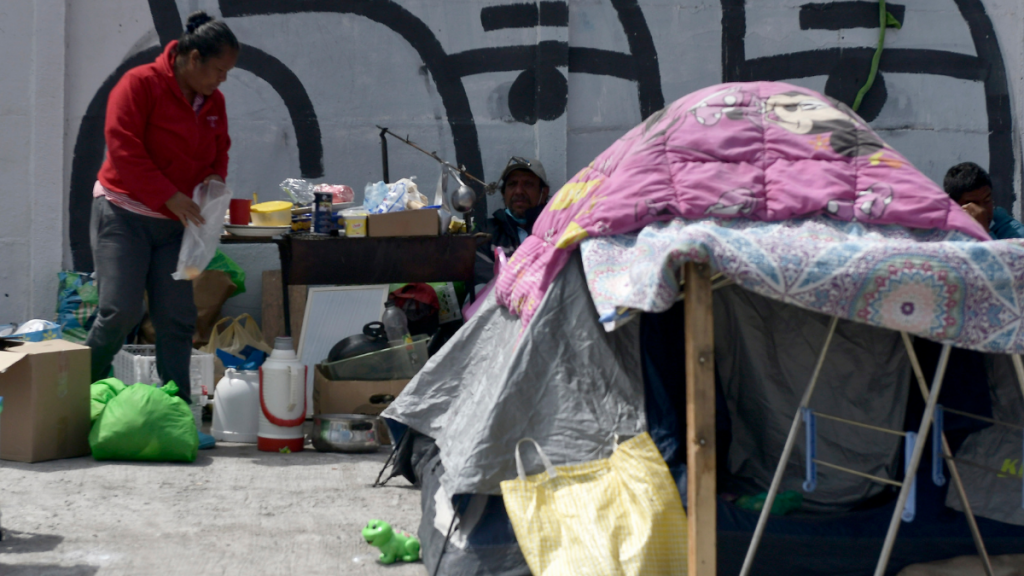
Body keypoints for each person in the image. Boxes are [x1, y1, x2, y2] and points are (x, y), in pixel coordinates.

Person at [85, 12, 238, 448]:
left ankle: (179, 415)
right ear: (193, 58)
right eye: (218, 71)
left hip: (176, 228)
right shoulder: (138, 85)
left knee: (176, 319)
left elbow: (218, 154)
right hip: (123, 214)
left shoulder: (214, 104)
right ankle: (75, 399)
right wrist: (169, 194)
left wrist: (212, 195)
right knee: (120, 311)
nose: (222, 82)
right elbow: (122, 146)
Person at [475, 157, 551, 286]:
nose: (519, 191)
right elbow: (479, 275)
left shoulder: (556, 230)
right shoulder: (485, 232)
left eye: (528, 184)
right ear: (504, 193)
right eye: (512, 184)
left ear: (543, 193)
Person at [943, 162, 1024, 239]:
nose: (982, 211)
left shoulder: (1015, 234)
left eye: (987, 200)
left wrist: (984, 231)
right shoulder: (943, 231)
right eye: (974, 204)